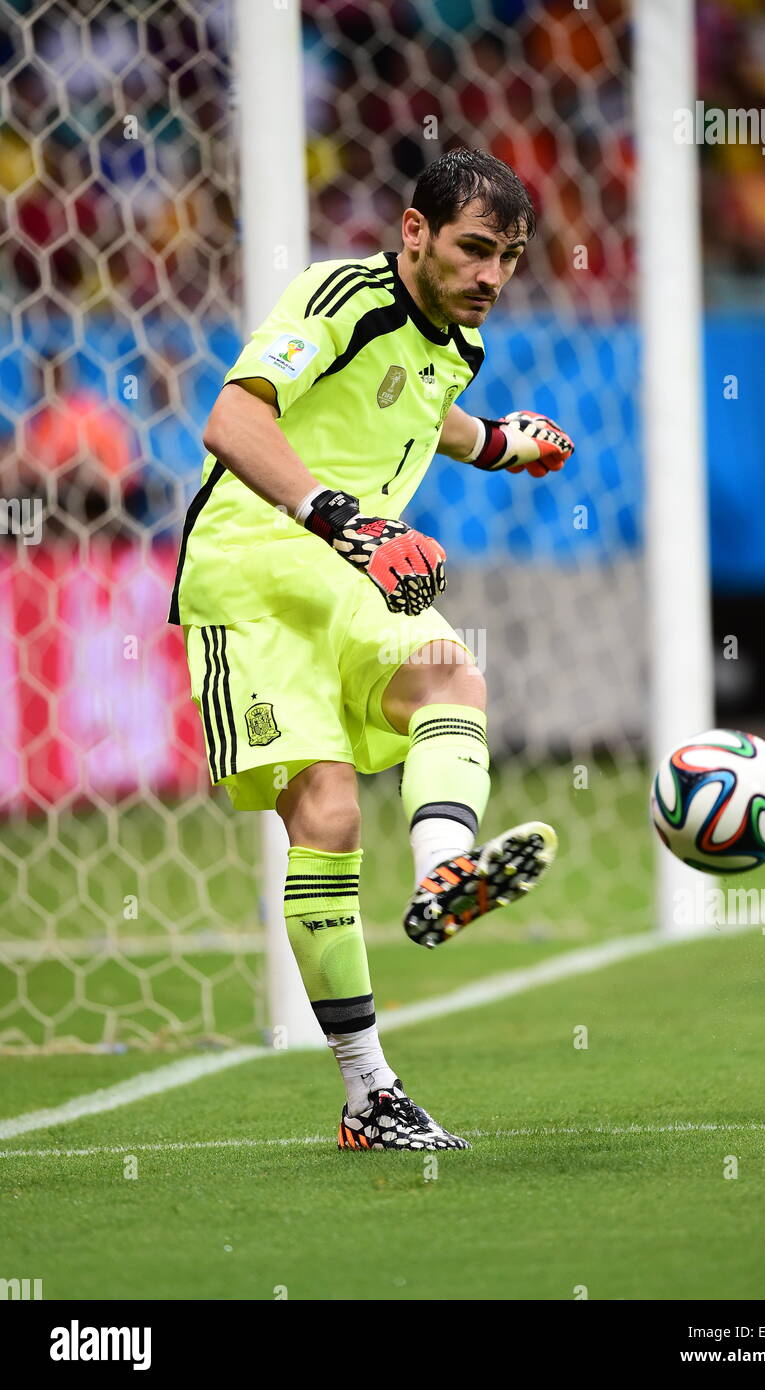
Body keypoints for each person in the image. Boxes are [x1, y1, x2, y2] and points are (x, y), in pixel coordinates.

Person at [167, 149, 574, 1151]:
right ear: (413, 232)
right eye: (474, 249)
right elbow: (230, 416)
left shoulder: (455, 346)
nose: (490, 276)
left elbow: (410, 409)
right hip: (252, 574)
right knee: (331, 813)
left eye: (509, 258)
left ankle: (443, 868)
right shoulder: (340, 294)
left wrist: (497, 445)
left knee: (450, 674)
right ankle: (367, 1090)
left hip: (353, 570)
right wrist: (339, 515)